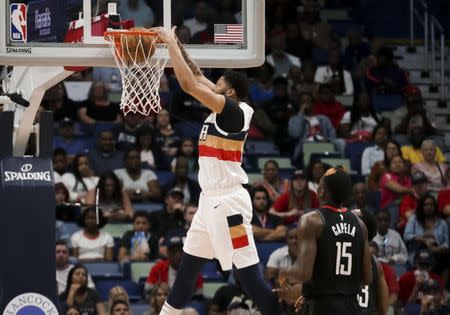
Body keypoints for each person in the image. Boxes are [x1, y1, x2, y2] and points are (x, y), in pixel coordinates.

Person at [153, 26, 281, 315]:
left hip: (229, 205)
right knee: (187, 271)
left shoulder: (234, 111)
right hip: (208, 202)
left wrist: (170, 44)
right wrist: (178, 44)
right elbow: (196, 75)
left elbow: (188, 85)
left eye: (219, 84)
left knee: (248, 277)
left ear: (231, 92)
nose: (213, 85)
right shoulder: (224, 106)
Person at [276, 167, 372, 314]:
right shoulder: (360, 225)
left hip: (321, 306)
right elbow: (367, 278)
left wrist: (284, 272)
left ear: (321, 191)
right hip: (352, 306)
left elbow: (303, 273)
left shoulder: (311, 220)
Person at [373, 208, 408, 276]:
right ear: (375, 221)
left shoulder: (395, 235)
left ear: (390, 221)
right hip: (377, 267)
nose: (383, 223)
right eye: (380, 220)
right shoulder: (371, 236)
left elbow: (404, 254)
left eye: (386, 220)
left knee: (403, 271)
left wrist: (395, 258)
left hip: (393, 267)